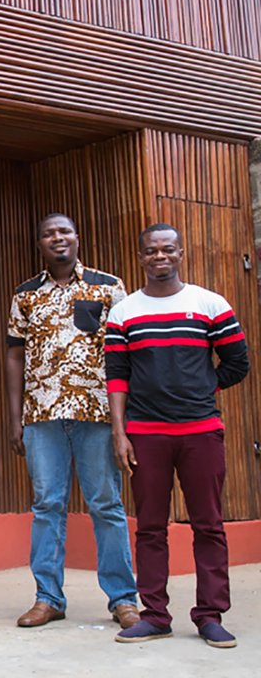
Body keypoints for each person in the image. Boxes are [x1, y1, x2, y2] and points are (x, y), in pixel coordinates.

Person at [107, 224, 249, 648]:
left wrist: (203, 388)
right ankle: (155, 615)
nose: (159, 257)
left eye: (167, 249)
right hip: (145, 433)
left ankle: (210, 615)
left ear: (181, 253)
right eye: (151, 251)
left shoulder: (209, 304)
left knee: (208, 525)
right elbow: (116, 377)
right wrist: (120, 433)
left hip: (201, 430)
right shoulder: (125, 312)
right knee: (150, 527)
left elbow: (237, 362)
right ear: (141, 258)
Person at [6, 213, 139, 629]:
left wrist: (125, 419)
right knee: (47, 505)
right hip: (42, 414)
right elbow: (14, 355)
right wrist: (15, 418)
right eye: (48, 233)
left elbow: (126, 350)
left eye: (64, 231)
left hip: (97, 413)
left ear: (76, 238)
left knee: (107, 504)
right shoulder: (26, 294)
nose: (57, 238)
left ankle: (123, 599)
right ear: (39, 243)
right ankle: (48, 598)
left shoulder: (108, 286)